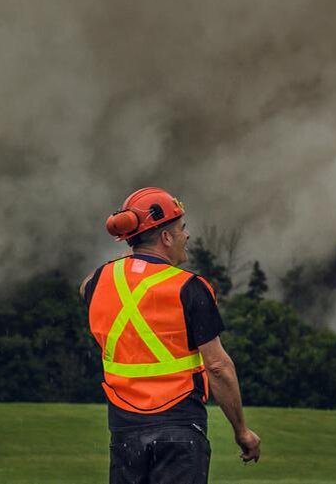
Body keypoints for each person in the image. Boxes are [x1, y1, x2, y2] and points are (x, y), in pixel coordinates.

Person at [80, 187, 261, 484]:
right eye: (181, 228)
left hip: (125, 431)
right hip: (179, 430)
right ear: (165, 237)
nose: (186, 235)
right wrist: (241, 431)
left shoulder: (101, 280)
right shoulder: (190, 288)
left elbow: (86, 284)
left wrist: (135, 245)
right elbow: (217, 367)